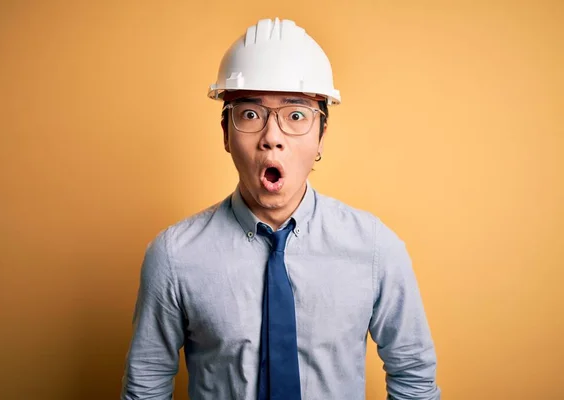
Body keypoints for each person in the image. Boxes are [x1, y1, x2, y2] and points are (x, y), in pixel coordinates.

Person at [121, 18, 440, 400]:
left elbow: (413, 378)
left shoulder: (376, 249)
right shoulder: (173, 255)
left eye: (296, 115)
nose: (272, 138)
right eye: (251, 114)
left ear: (322, 136)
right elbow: (147, 385)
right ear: (226, 134)